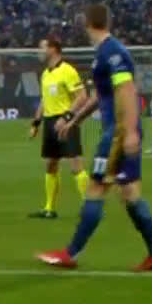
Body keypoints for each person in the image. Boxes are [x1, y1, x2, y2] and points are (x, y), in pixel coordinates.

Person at [38, 4, 152, 271]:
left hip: (117, 133)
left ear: (87, 23)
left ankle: (71, 253)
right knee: (129, 192)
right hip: (121, 131)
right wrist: (74, 120)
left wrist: (129, 131)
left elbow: (127, 91)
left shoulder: (112, 52)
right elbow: (100, 96)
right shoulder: (104, 53)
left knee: (96, 188)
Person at [28, 37, 90, 219]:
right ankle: (49, 209)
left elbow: (82, 96)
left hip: (65, 121)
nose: (39, 52)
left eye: (42, 47)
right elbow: (44, 100)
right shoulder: (45, 74)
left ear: (53, 49)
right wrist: (36, 123)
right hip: (49, 121)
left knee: (75, 164)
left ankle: (91, 208)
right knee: (51, 164)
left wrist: (67, 117)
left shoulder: (68, 70)